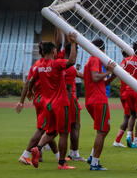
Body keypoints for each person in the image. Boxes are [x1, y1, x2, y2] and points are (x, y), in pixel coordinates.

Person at [28, 34, 78, 170]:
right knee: (63, 133)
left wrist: (30, 91)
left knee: (51, 131)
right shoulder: (56, 64)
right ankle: (62, 163)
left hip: (47, 104)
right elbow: (72, 61)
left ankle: (37, 148)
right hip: (61, 103)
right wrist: (73, 43)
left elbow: (32, 80)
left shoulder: (38, 66)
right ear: (53, 51)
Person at [16, 42, 58, 165]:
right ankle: (25, 155)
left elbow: (29, 83)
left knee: (47, 128)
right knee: (42, 129)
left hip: (38, 100)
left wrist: (23, 99)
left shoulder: (36, 65)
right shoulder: (43, 65)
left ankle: (56, 156)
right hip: (44, 100)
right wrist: (23, 99)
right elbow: (28, 83)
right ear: (52, 51)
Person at [84, 38, 117, 171]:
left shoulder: (91, 61)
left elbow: (102, 82)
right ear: (101, 49)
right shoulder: (95, 59)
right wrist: (109, 71)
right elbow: (95, 77)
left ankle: (93, 157)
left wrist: (112, 75)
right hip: (98, 100)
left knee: (105, 129)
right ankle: (95, 163)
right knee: (102, 130)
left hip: (92, 99)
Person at [64, 44, 85, 161]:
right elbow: (83, 76)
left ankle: (40, 148)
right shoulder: (70, 66)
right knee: (75, 126)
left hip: (58, 99)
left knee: (58, 129)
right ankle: (74, 154)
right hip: (70, 99)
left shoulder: (59, 64)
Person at [113, 51, 132, 148]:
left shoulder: (122, 63)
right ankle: (121, 140)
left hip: (123, 92)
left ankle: (124, 139)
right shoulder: (131, 61)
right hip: (130, 92)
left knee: (129, 116)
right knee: (131, 116)